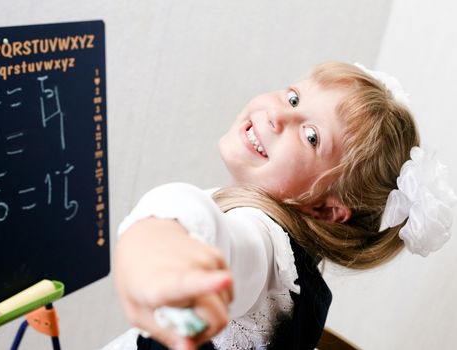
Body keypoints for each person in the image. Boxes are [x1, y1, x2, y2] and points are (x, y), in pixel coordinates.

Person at [105, 62, 455, 350]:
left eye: (312, 136)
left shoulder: (264, 244)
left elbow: (230, 248)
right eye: (293, 98)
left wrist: (162, 235)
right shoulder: (291, 253)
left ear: (326, 210)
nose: (277, 115)